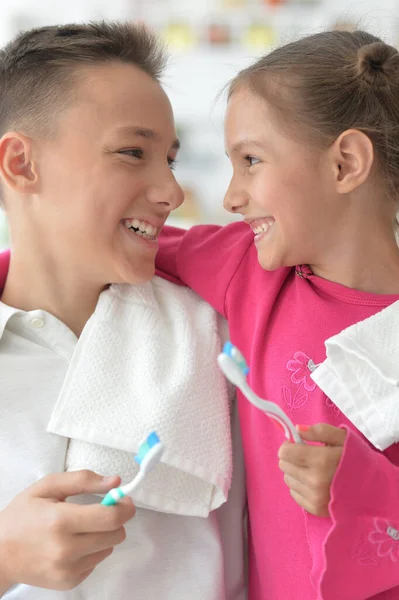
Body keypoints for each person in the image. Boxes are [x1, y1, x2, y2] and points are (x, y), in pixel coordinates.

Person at [0, 22, 246, 599]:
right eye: (133, 152)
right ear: (20, 163)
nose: (171, 191)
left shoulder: (216, 340)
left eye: (170, 159)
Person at [154, 30, 399, 600]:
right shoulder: (248, 271)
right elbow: (112, 246)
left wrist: (369, 492)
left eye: (251, 160)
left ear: (345, 164)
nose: (232, 196)